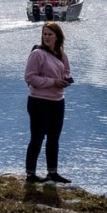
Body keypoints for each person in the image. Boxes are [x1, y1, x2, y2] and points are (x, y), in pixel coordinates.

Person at [24, 21, 73, 184]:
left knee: (54, 138)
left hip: (58, 101)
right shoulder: (37, 54)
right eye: (44, 34)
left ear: (57, 37)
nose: (46, 37)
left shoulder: (61, 54)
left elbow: (66, 71)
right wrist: (53, 82)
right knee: (37, 138)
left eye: (50, 34)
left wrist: (65, 80)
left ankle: (52, 172)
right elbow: (30, 77)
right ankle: (30, 174)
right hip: (39, 101)